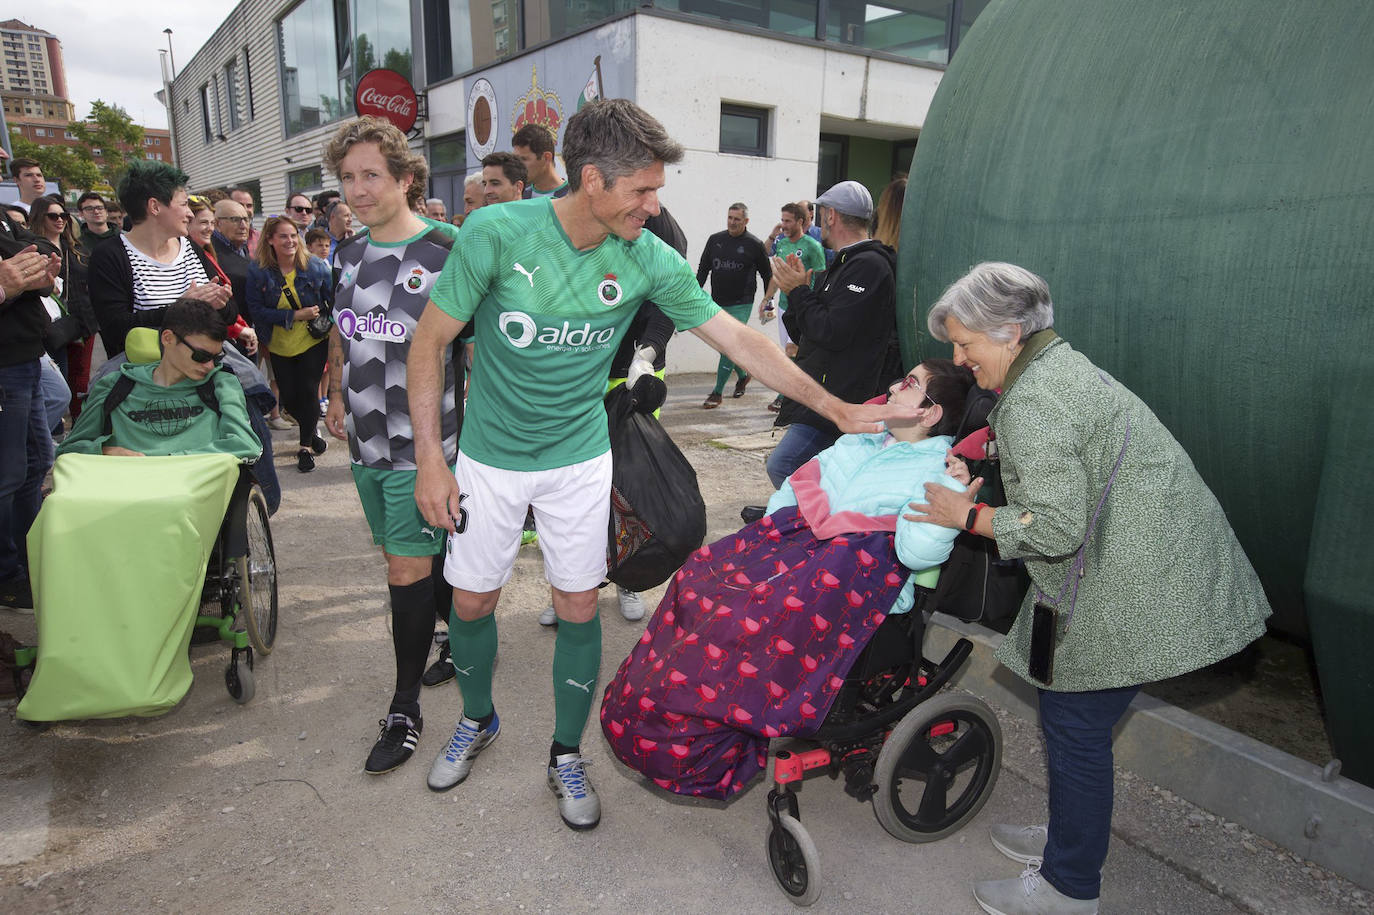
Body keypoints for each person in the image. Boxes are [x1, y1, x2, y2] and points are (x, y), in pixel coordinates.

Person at [406, 98, 913, 831]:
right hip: (489, 460)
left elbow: (740, 340)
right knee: (474, 603)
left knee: (580, 604)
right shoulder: (495, 230)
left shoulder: (646, 255)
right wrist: (431, 457)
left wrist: (837, 410)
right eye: (642, 189)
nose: (654, 203)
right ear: (591, 180)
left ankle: (565, 753)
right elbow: (429, 344)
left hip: (581, 459)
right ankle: (479, 718)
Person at [905, 262, 1271, 915]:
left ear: (1011, 330)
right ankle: (1072, 836)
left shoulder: (1035, 401)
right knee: (1078, 721)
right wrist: (992, 444)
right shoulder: (1054, 367)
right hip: (1147, 554)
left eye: (966, 343)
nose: (958, 359)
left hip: (1137, 572)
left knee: (1074, 721)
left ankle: (1069, 886)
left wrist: (965, 515)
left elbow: (1054, 527)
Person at [602, 358, 974, 798]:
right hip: (796, 556)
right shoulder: (860, 441)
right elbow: (793, 492)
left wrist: (952, 497)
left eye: (909, 384)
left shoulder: (938, 471)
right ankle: (660, 717)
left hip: (853, 586)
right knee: (699, 578)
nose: (893, 387)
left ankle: (695, 737)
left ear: (930, 413)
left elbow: (918, 552)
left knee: (738, 619)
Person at [320, 115, 464, 774]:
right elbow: (342, 332)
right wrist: (331, 393)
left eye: (370, 175)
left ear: (405, 178)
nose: (357, 189)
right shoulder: (345, 255)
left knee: (403, 569)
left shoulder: (450, 248)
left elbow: (484, 349)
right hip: (365, 443)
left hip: (425, 447)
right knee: (409, 558)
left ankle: (404, 709)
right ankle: (459, 637)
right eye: (348, 177)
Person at [766, 180, 896, 488]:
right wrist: (798, 291)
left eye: (821, 213)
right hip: (820, 398)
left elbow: (831, 332)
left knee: (783, 466)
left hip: (838, 401)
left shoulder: (868, 266)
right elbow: (805, 333)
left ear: (831, 216)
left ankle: (819, 525)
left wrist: (798, 291)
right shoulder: (841, 265)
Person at [58, 298, 260, 462]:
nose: (210, 366)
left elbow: (245, 444)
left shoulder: (221, 384)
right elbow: (69, 450)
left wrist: (170, 461)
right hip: (125, 494)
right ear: (168, 339)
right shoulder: (114, 385)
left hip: (195, 492)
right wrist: (104, 451)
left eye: (217, 358)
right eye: (201, 356)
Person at [86, 160, 232, 358]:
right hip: (148, 377)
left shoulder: (190, 247)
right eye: (183, 204)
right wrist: (181, 308)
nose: (190, 213)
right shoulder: (109, 256)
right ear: (154, 206)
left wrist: (221, 302)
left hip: (204, 365)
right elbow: (115, 329)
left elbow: (229, 313)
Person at [0, 206, 62, 609]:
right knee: (7, 476)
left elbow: (34, 253)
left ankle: (31, 561)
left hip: (24, 358)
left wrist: (27, 272)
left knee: (36, 463)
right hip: (6, 367)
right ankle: (8, 574)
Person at [246, 216, 332, 472]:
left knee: (308, 389)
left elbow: (333, 300)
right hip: (278, 343)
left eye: (293, 235)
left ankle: (304, 447)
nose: (290, 241)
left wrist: (327, 322)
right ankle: (312, 431)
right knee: (290, 399)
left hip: (313, 340)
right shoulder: (258, 271)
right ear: (270, 240)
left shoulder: (315, 267)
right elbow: (256, 310)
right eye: (283, 236)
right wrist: (294, 315)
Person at [696, 202, 772, 407]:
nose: (732, 222)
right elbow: (703, 270)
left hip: (741, 303)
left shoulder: (754, 245)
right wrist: (693, 295)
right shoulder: (715, 240)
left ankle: (717, 393)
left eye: (737, 219)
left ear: (746, 221)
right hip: (717, 302)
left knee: (728, 346)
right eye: (730, 218)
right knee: (725, 346)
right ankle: (744, 374)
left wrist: (768, 302)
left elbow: (767, 275)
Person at [760, 202, 826, 412]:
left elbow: (821, 276)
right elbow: (777, 275)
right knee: (791, 353)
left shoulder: (812, 246)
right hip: (783, 306)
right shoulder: (781, 244)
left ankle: (785, 398)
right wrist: (767, 298)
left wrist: (812, 303)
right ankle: (798, 396)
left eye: (788, 221)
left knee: (792, 350)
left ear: (800, 221)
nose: (784, 225)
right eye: (782, 220)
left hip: (802, 306)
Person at [27, 197, 97, 385]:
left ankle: (78, 415)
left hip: (83, 320)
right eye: (53, 216)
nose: (60, 220)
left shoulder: (77, 248)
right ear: (40, 217)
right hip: (50, 324)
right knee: (59, 379)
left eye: (64, 215)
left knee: (81, 376)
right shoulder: (31, 248)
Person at [187, 196, 257, 357]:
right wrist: (237, 329)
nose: (243, 225)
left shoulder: (208, 253)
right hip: (208, 340)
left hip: (237, 332)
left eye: (246, 219)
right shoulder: (190, 257)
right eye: (204, 222)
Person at [512, 124, 569, 198]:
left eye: (524, 159)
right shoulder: (518, 198)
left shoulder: (575, 196)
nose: (518, 165)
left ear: (546, 158)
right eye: (516, 159)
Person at [230, 187, 260, 253]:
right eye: (240, 205)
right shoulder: (218, 241)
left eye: (249, 206)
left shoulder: (260, 239)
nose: (245, 210)